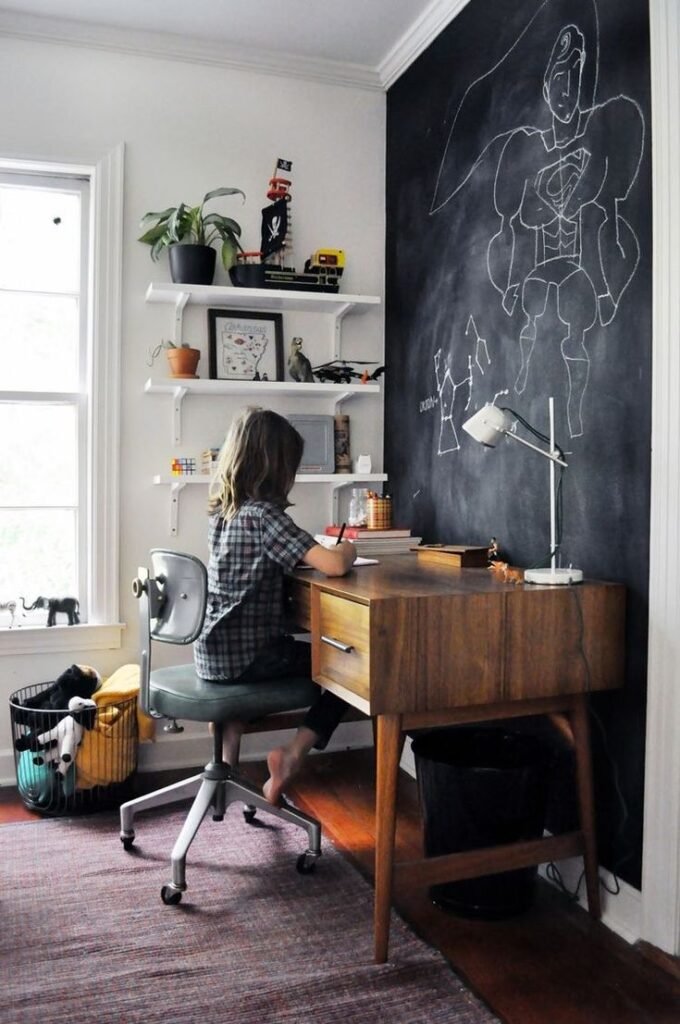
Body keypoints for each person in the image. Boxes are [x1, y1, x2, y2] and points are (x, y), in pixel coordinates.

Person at [193, 406, 357, 805]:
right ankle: (293, 754)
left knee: (282, 650)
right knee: (349, 667)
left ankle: (226, 772)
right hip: (247, 659)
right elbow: (333, 566)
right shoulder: (265, 516)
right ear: (276, 467)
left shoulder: (223, 513)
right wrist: (350, 547)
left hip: (211, 653)